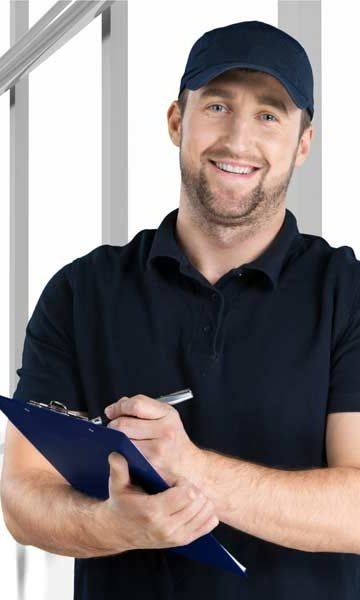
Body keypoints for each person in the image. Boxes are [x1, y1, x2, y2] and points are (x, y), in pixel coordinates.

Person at [1, 18, 360, 600]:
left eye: (269, 115)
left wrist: (192, 468)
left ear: (303, 143)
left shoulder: (346, 293)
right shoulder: (80, 291)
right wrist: (108, 527)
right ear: (177, 121)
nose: (239, 140)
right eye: (217, 106)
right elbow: (22, 496)